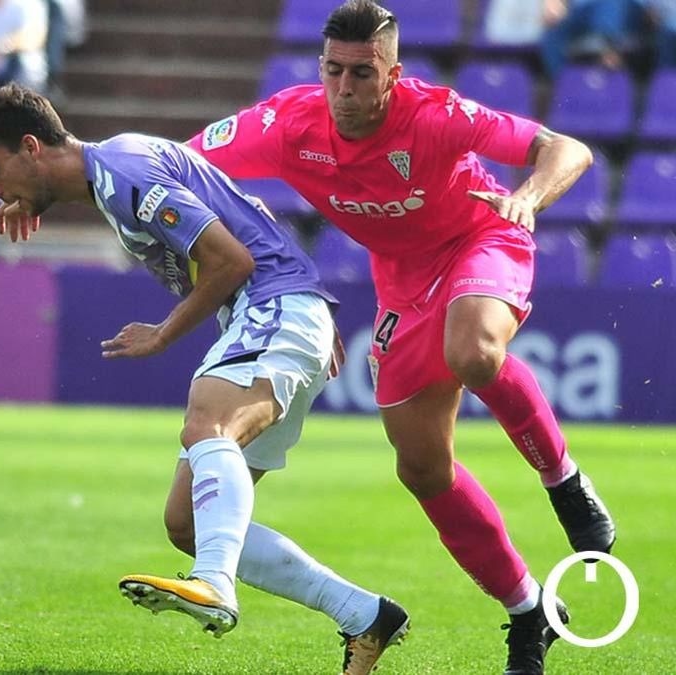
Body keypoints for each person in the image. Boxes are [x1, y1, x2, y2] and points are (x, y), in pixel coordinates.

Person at [184, 2, 614, 673]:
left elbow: (568, 149)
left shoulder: (436, 114)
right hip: (402, 285)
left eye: (363, 73)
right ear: (320, 68)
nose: (346, 89)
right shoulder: (286, 123)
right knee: (420, 466)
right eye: (334, 71)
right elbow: (172, 166)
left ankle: (565, 481)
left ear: (393, 74)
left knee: (472, 352)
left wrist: (527, 197)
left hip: (479, 237)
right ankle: (529, 610)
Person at [0, 83, 410, 675]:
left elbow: (233, 259)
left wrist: (165, 333)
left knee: (207, 421)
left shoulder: (123, 172)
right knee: (188, 522)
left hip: (271, 305)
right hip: (283, 311)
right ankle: (364, 615)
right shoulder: (113, 173)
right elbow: (240, 211)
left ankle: (216, 584)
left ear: (32, 147)